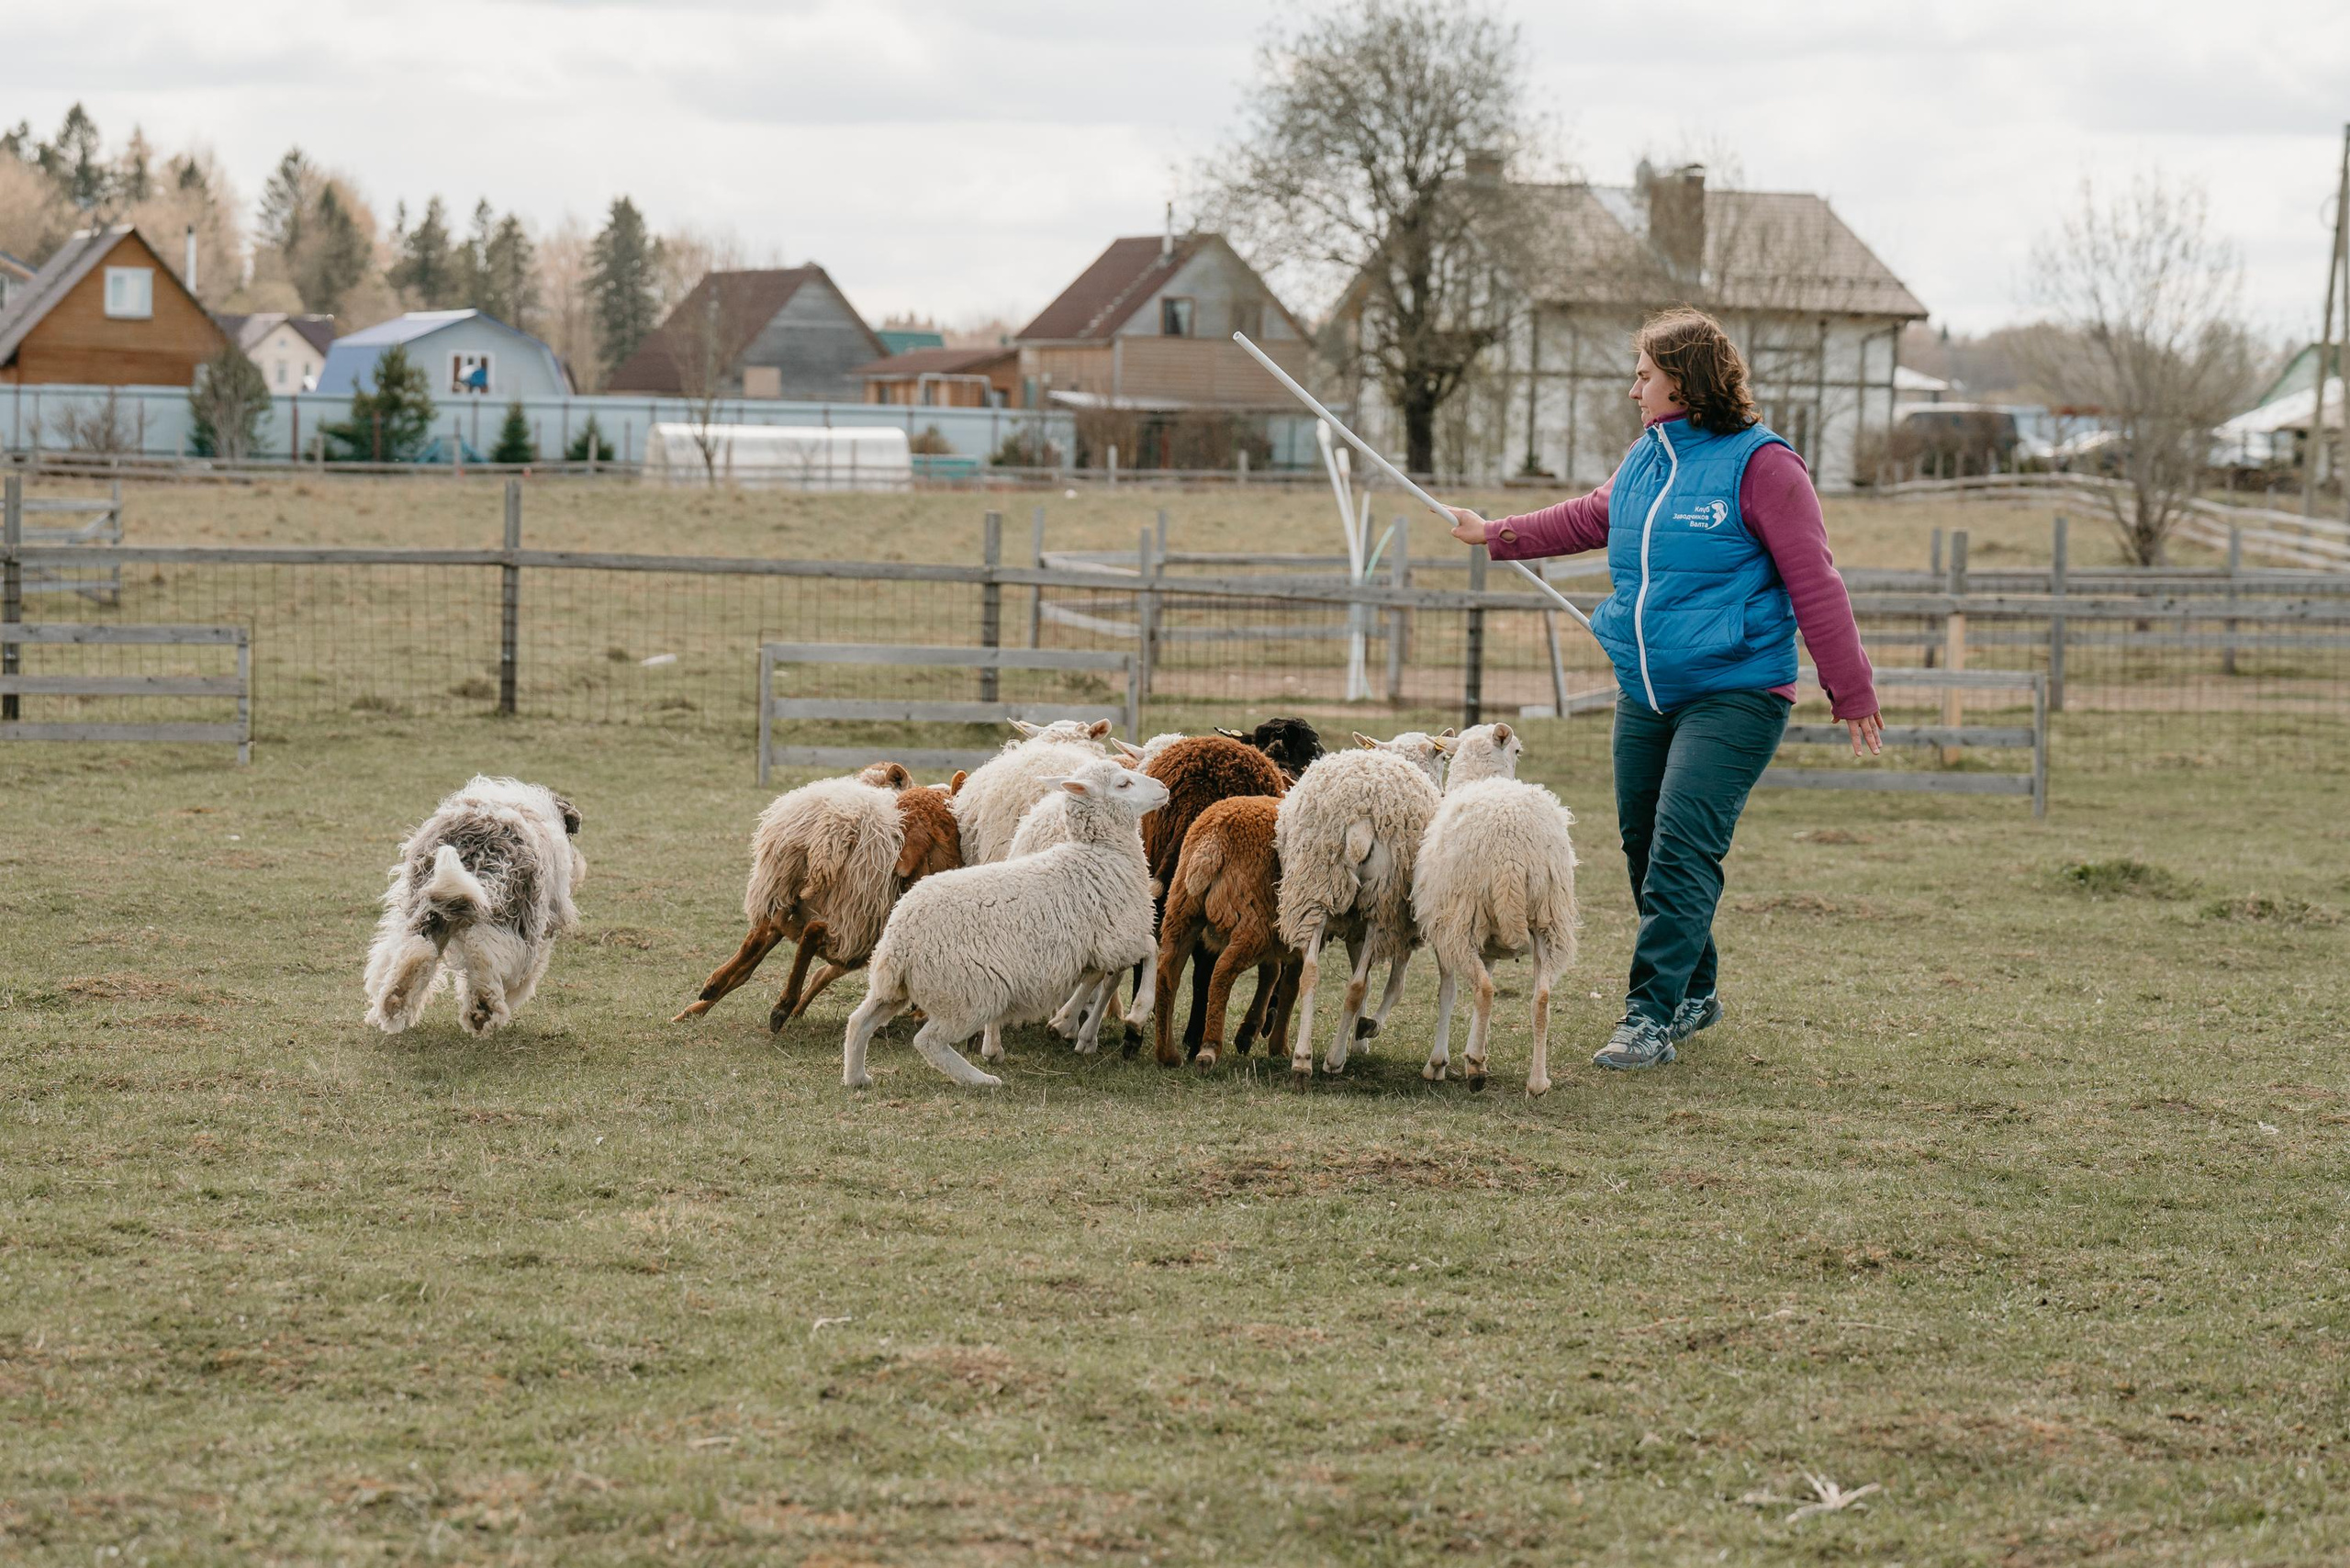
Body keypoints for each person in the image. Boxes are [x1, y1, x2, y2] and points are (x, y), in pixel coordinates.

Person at [1444, 307, 1883, 1071]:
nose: (1633, 389)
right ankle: (1697, 990)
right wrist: (1498, 534)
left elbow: (1816, 580)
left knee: (1682, 848)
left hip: (1737, 690)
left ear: (1683, 379)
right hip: (1647, 688)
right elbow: (1590, 517)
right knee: (1644, 846)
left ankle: (1647, 1016)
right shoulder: (1646, 459)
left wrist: (1851, 690)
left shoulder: (1765, 466)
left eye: (1644, 374)